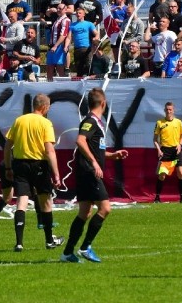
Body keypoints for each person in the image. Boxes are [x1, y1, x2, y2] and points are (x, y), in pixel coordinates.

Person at [60, 88, 128, 263]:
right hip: (89, 172)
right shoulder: (90, 121)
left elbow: (94, 149)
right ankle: (85, 247)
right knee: (105, 209)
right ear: (103, 104)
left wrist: (112, 155)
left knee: (85, 212)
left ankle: (67, 253)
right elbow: (80, 141)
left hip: (86, 171)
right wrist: (94, 163)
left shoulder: (96, 123)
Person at [4, 93, 63, 252]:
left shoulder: (19, 120)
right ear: (44, 107)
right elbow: (49, 150)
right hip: (39, 165)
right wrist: (56, 173)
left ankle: (19, 242)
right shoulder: (45, 123)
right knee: (46, 202)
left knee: (21, 202)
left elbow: (8, 145)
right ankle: (49, 240)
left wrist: (8, 167)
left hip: (20, 164)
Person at [153, 102, 182, 203]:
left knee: (180, 173)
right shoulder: (160, 123)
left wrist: (180, 145)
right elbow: (155, 139)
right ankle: (157, 197)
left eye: (170, 109)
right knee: (162, 175)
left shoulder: (178, 122)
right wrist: (158, 150)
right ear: (164, 110)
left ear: (173, 110)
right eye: (167, 109)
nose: (168, 111)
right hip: (165, 151)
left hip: (176, 151)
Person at [69, 7, 99, 77]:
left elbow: (96, 33)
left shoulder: (89, 24)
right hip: (77, 49)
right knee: (79, 68)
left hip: (87, 48)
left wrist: (95, 38)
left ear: (84, 14)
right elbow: (68, 37)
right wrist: (66, 46)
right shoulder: (72, 25)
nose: (78, 14)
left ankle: (92, 83)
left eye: (80, 13)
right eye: (77, 13)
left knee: (89, 66)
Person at [46, 4, 70, 81]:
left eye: (60, 9)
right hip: (52, 45)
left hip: (58, 46)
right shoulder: (57, 19)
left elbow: (63, 35)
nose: (58, 10)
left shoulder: (66, 20)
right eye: (57, 9)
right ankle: (49, 85)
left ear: (65, 9)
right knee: (49, 67)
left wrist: (56, 46)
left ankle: (63, 86)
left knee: (60, 67)